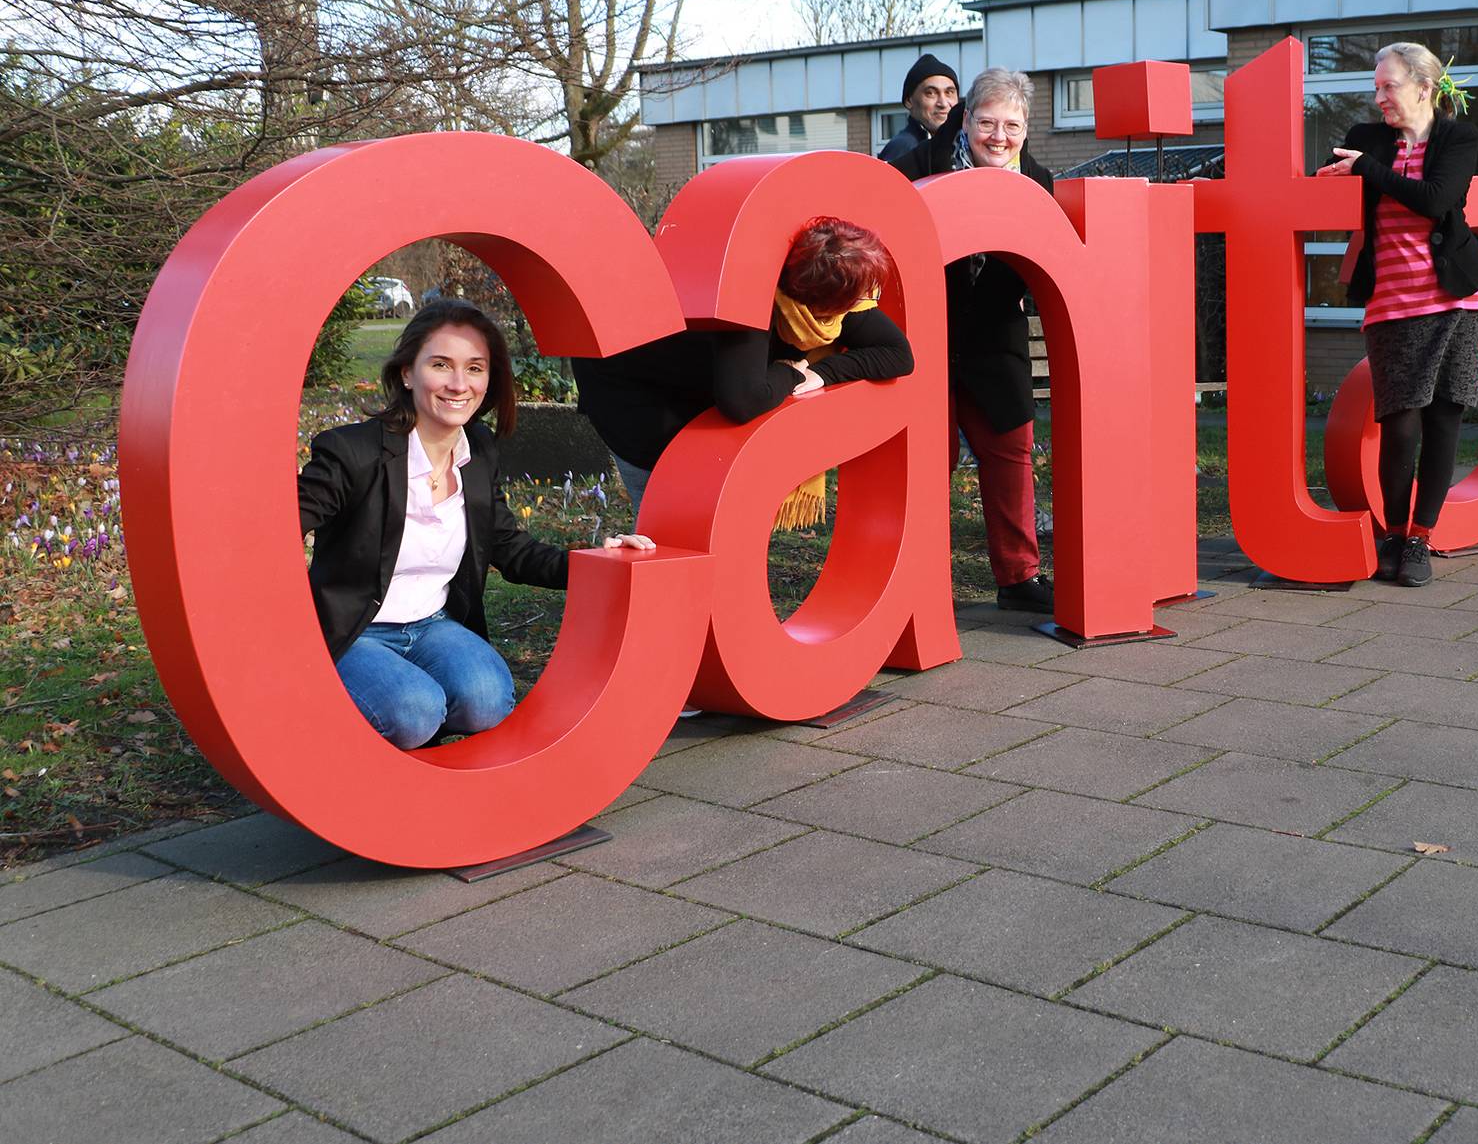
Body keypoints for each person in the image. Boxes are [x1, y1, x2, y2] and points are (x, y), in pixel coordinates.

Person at [300, 299, 655, 750]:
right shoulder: (351, 452)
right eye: (441, 364)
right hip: (354, 632)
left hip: (433, 624)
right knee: (413, 712)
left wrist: (599, 560)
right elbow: (275, 531)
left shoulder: (478, 450)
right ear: (407, 373)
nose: (458, 384)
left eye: (475, 368)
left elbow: (509, 546)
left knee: (487, 700)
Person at [572, 216, 913, 515]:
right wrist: (791, 372)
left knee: (707, 516)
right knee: (669, 523)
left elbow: (898, 354)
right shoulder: (755, 300)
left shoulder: (830, 298)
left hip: (699, 379)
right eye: (861, 296)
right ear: (825, 300)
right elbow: (742, 400)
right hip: (635, 394)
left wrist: (821, 374)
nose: (867, 302)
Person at [1317, 42, 1478, 588]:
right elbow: (1331, 186)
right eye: (1376, 87)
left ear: (1424, 86)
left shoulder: (1458, 136)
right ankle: (1392, 533)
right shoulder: (1365, 139)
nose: (1379, 98)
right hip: (1393, 301)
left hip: (1460, 299)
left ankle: (1420, 539)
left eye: (1387, 86)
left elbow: (1439, 200)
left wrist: (1369, 171)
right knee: (1399, 423)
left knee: (1444, 418)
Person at [889, 67, 1056, 613]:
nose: (999, 137)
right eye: (987, 122)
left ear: (1027, 127)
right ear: (966, 120)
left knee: (1011, 453)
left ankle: (1018, 578)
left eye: (1012, 125)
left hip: (994, 343)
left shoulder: (1038, 183)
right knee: (923, 464)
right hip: (922, 343)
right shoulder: (914, 168)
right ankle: (918, 583)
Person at [878, 54, 961, 164]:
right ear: (909, 101)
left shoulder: (963, 146)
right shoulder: (903, 148)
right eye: (931, 93)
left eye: (949, 92)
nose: (943, 103)